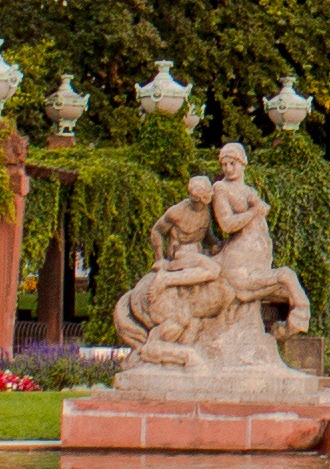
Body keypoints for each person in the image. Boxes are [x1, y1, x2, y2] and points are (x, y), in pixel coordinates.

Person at [116, 141, 313, 370]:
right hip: (185, 252)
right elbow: (227, 224)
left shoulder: (249, 191)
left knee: (242, 273)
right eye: (224, 164)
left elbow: (212, 233)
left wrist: (222, 240)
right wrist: (253, 212)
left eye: (232, 163)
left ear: (243, 163)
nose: (229, 168)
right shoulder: (220, 189)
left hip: (242, 248)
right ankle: (167, 282)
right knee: (214, 271)